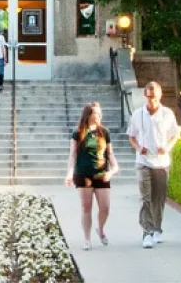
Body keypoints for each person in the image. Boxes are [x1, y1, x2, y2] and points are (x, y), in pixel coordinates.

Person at [126, 82, 181, 249]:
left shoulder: (167, 114)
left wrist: (167, 147)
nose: (152, 101)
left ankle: (157, 228)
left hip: (162, 163)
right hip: (143, 162)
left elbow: (174, 135)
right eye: (149, 97)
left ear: (160, 96)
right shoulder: (137, 114)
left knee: (159, 197)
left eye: (155, 97)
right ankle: (147, 231)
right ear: (144, 96)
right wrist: (138, 148)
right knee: (145, 197)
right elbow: (131, 136)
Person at [65, 102, 119, 250]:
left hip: (102, 173)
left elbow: (110, 153)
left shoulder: (104, 132)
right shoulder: (78, 133)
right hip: (83, 174)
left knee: (105, 207)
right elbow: (72, 155)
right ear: (88, 115)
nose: (99, 115)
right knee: (86, 207)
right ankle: (87, 239)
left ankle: (100, 229)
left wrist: (113, 169)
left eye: (100, 113)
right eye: (96, 113)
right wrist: (69, 174)